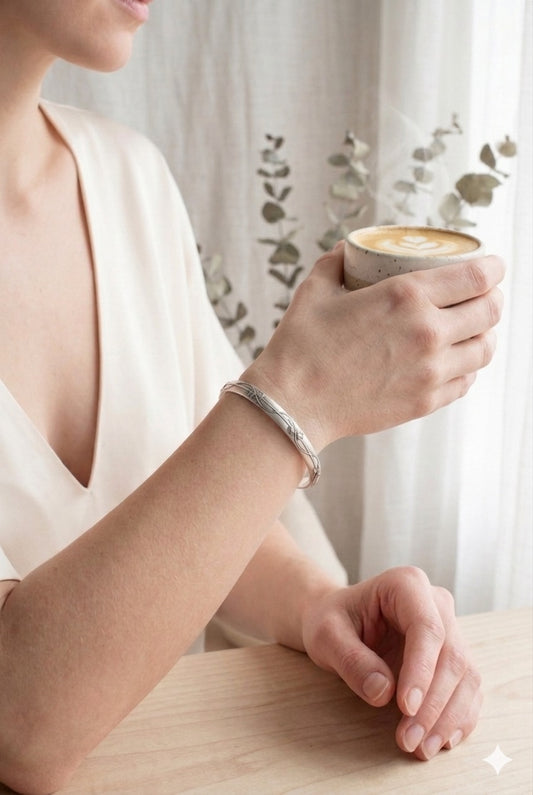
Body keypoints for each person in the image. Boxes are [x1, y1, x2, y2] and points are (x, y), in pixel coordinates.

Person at [0, 2, 504, 793]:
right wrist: (297, 392)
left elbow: (192, 508)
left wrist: (322, 608)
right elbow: (21, 720)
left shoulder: (129, 177)